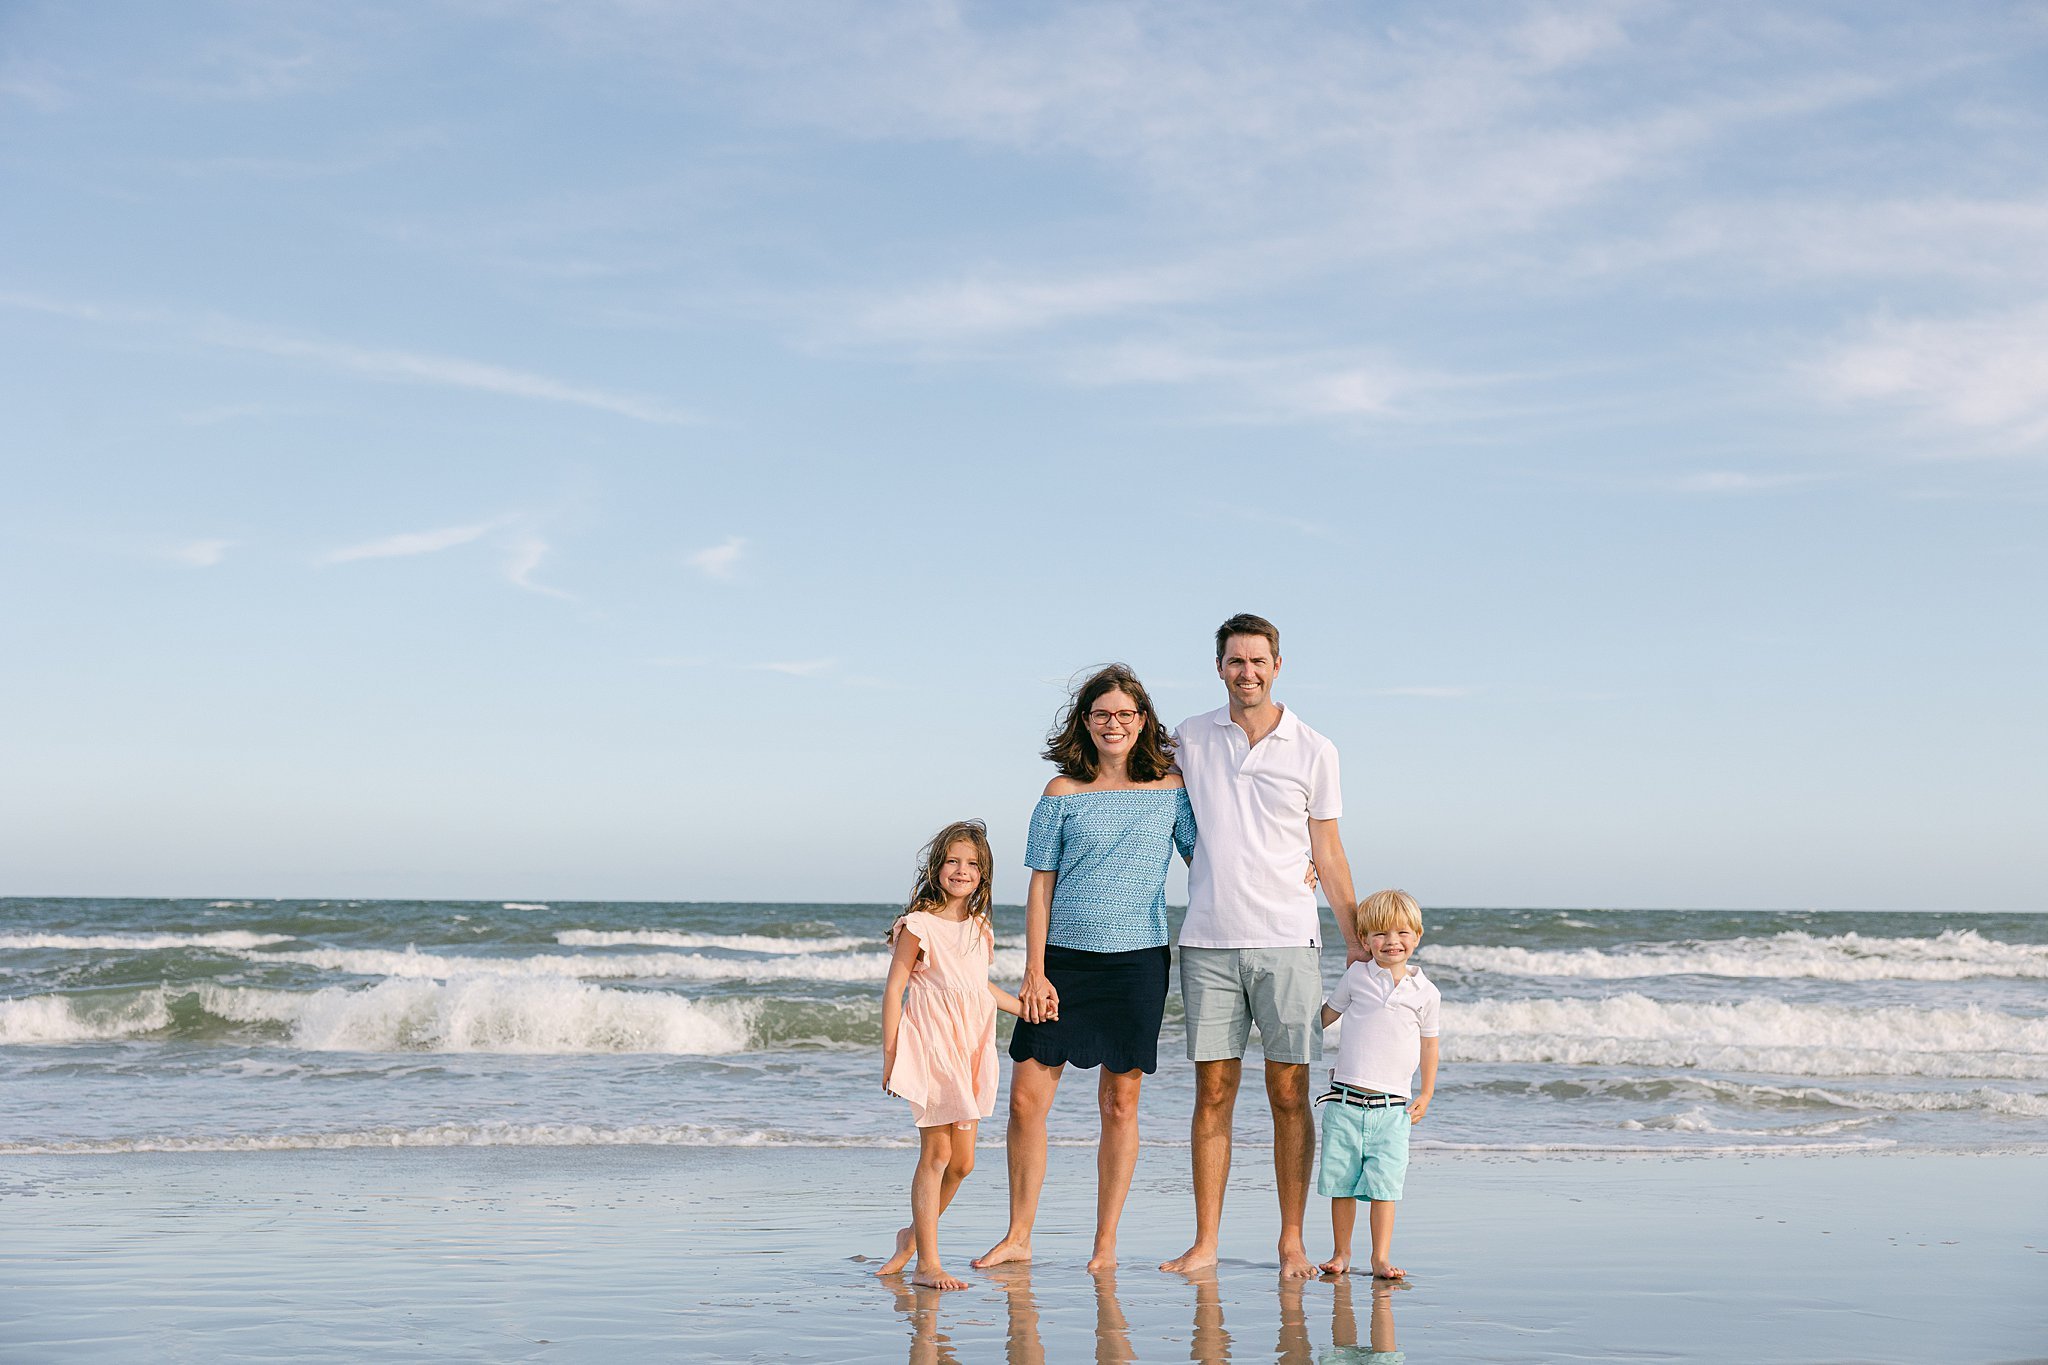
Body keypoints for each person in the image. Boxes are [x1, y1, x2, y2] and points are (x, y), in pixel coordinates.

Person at [972, 665, 1195, 1273]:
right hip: (1063, 965)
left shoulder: (1172, 789)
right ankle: (1019, 1234)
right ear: (1086, 722)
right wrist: (1034, 971)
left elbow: (1214, 859)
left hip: (1137, 963)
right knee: (1025, 1101)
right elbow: (1039, 888)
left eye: (1125, 714)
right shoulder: (1059, 793)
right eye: (1102, 714)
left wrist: (1297, 865)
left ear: (1142, 720)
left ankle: (1105, 1244)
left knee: (1121, 1103)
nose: (1114, 723)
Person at [1161, 612, 1365, 1279]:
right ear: (1218, 667)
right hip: (1208, 941)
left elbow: (1327, 850)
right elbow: (1134, 784)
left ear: (1278, 665)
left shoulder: (1315, 748)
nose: (1246, 672)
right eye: (1234, 661)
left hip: (1288, 940)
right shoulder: (1190, 737)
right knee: (1213, 1090)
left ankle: (1292, 1240)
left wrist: (1355, 934)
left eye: (1257, 660)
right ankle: (1206, 1241)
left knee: (1288, 1089)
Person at [875, 819, 1024, 1290]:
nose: (962, 871)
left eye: (973, 864)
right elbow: (894, 988)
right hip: (933, 1045)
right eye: (954, 861)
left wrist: (1023, 1007)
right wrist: (892, 1054)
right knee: (937, 1153)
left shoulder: (980, 927)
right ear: (938, 866)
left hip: (971, 1046)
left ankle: (911, 1235)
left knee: (964, 1164)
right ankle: (927, 1265)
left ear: (984, 875)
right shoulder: (918, 925)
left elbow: (974, 987)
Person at [1315, 889, 1439, 1281]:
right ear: (1365, 940)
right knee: (1341, 1183)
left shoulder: (1426, 993)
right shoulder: (1356, 976)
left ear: (1417, 937)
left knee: (1386, 1188)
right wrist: (1288, 1033)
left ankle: (1380, 1258)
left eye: (1402, 933)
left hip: (1392, 1110)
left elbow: (1429, 1044)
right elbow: (1327, 1015)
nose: (1392, 942)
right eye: (1381, 934)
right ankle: (1341, 1253)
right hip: (1345, 1103)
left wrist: (1427, 1092)